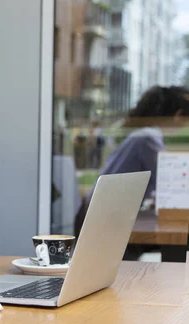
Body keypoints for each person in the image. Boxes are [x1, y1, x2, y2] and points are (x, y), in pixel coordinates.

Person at [74, 85, 189, 239]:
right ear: (178, 116)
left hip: (99, 212)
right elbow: (168, 178)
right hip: (101, 217)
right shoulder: (148, 138)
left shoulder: (143, 135)